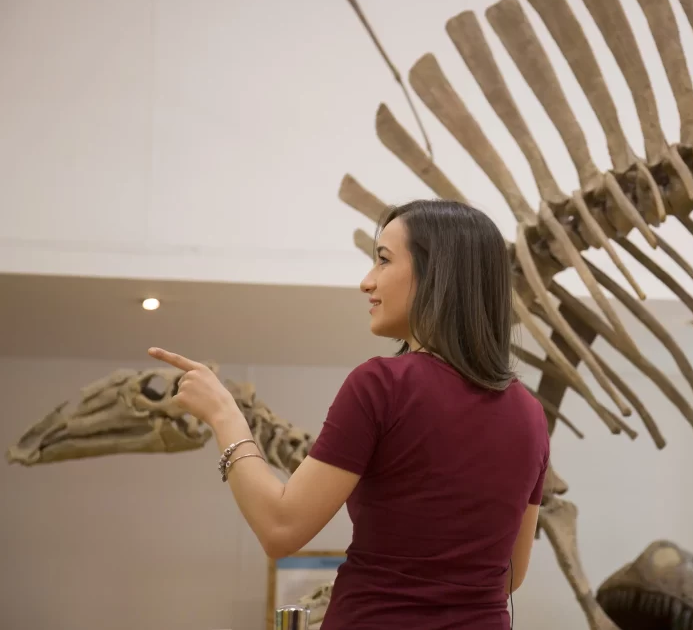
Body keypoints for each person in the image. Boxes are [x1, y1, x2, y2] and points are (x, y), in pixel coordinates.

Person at [148, 199, 550, 629]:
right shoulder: (529, 413)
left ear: (437, 273)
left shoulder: (382, 384)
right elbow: (512, 573)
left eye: (383, 261)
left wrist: (224, 415)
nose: (366, 282)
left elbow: (280, 528)